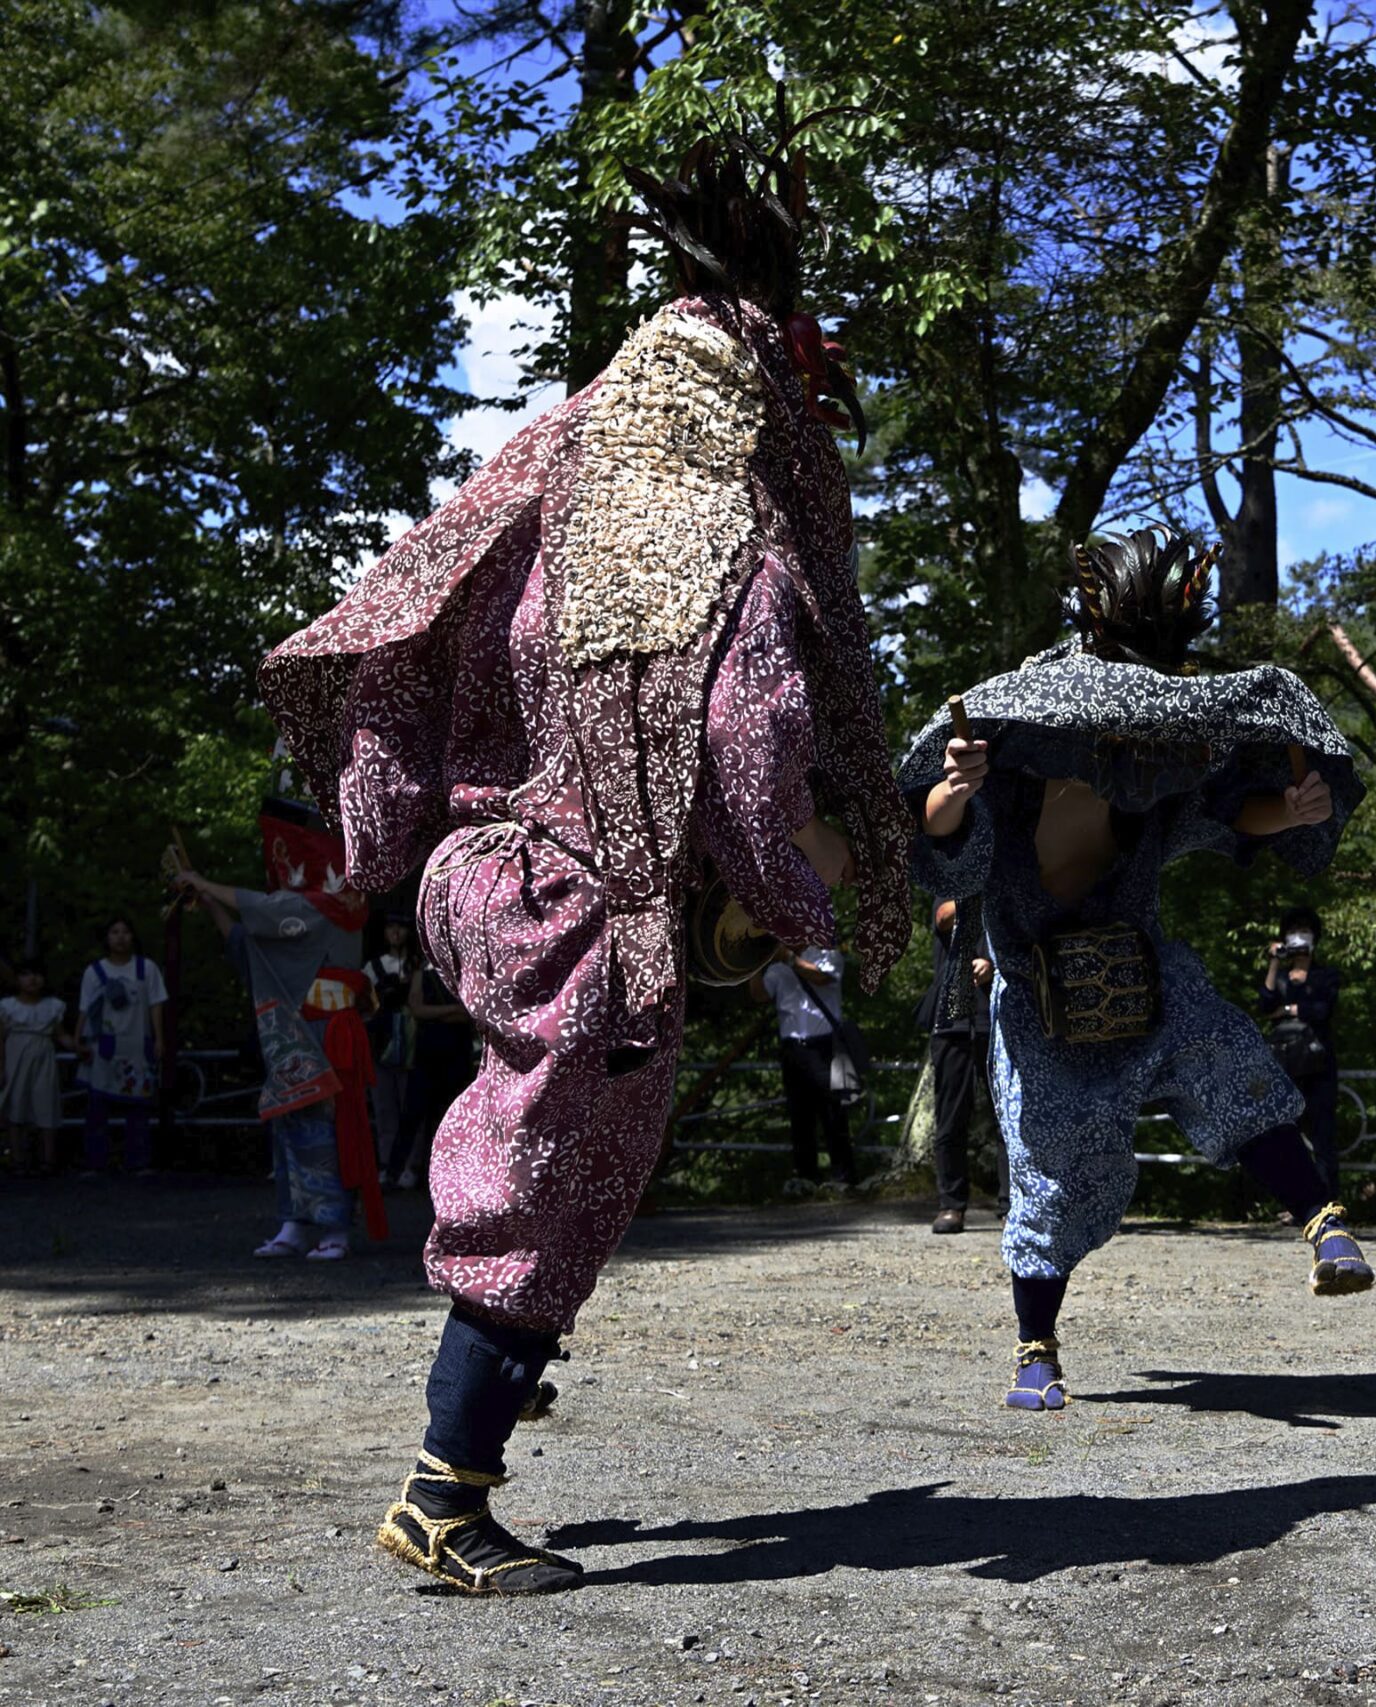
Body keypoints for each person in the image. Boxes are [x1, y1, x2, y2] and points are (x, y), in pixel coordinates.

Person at [259, 133, 912, 1594]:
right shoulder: (731, 526)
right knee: (559, 1179)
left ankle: (496, 1373)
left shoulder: (552, 460)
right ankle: (448, 1487)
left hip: (471, 875)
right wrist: (805, 900)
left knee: (532, 1158)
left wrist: (384, 842)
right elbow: (754, 733)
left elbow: (395, 635)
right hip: (582, 914)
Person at [905, 524, 1374, 1413]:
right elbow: (939, 838)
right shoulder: (1016, 740)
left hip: (1142, 965)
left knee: (1224, 1052)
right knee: (1055, 1163)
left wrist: (1295, 805)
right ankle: (1035, 1347)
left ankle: (1324, 1223)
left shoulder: (1164, 749)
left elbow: (1236, 816)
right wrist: (953, 790)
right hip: (1040, 1002)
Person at [171, 800, 384, 1262]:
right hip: (296, 1028)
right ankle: (292, 1223)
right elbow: (250, 944)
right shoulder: (312, 907)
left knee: (325, 1131)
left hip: (328, 1030)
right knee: (291, 1126)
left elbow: (266, 910)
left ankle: (334, 1228)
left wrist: (204, 882)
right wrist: (206, 899)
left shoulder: (332, 902)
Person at [752, 945, 860, 1196]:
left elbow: (822, 977)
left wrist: (789, 958)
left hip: (824, 1045)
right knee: (800, 1116)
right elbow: (760, 995)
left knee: (833, 1113)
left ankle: (844, 1177)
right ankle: (806, 1177)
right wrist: (752, 968)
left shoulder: (826, 955)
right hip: (792, 1048)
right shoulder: (776, 969)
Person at [917, 895, 996, 1233]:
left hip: (996, 1020)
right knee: (951, 1118)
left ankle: (1013, 1204)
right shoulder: (951, 885)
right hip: (951, 1023)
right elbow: (943, 916)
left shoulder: (1006, 896)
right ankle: (951, 1205)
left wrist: (990, 964)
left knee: (1007, 1118)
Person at [1257, 905, 1344, 1195]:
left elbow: (1322, 1010)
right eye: (1293, 932)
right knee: (1287, 1136)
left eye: (1304, 931)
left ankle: (1327, 1200)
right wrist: (1273, 962)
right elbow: (1264, 1004)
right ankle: (1298, 1203)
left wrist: (1289, 1008)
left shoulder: (1326, 975)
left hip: (1319, 1064)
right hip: (1285, 1066)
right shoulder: (1280, 977)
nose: (1298, 937)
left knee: (1323, 1136)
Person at [73, 917, 168, 1175]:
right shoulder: (95, 972)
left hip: (138, 1041)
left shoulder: (146, 968)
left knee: (138, 1105)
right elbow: (85, 1007)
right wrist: (77, 1038)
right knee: (97, 1105)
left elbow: (156, 1003)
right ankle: (95, 1162)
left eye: (126, 931)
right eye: (114, 932)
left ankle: (138, 1160)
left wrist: (159, 1038)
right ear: (106, 937)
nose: (120, 937)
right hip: (104, 1044)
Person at [385, 960, 473, 1191]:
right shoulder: (423, 971)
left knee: (447, 1117)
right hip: (427, 1053)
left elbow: (469, 1014)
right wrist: (451, 1010)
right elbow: (417, 1009)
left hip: (456, 1052)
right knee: (412, 1115)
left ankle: (437, 1175)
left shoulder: (465, 970)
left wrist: (437, 1013)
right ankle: (394, 1172)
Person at [364, 915, 420, 1180]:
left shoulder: (419, 965)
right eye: (390, 927)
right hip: (382, 1041)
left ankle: (410, 1164)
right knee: (385, 1105)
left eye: (401, 927)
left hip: (412, 1042)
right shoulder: (373, 967)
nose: (395, 932)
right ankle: (388, 1163)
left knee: (410, 1103)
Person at [3, 962, 72, 1174]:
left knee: (46, 1102)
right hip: (15, 1056)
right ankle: (17, 1158)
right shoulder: (7, 1007)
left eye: (37, 974)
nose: (32, 979)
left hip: (44, 1055)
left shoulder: (52, 1006)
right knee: (16, 1104)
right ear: (17, 979)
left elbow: (60, 1035)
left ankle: (48, 1160)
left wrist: (78, 1047)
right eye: (26, 974)